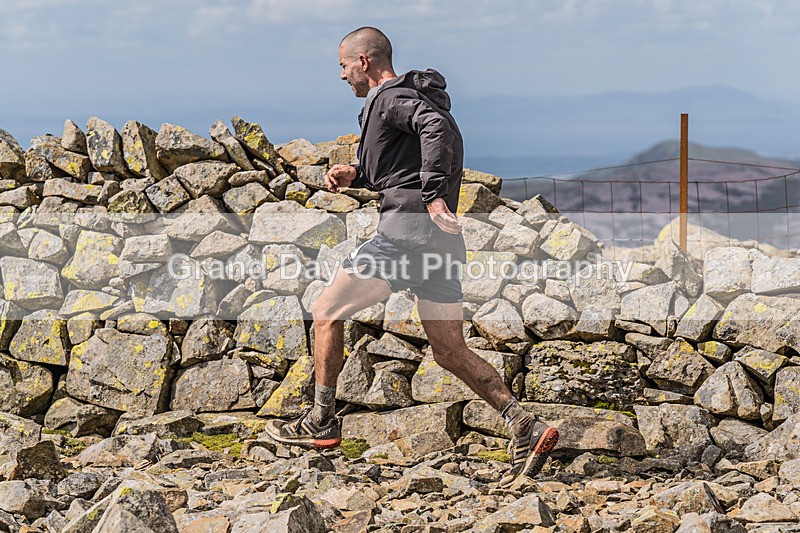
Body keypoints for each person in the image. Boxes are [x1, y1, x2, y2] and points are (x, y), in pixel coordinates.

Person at [265, 26, 558, 485]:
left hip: (406, 235)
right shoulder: (400, 100)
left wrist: (435, 195)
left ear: (364, 61)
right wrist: (357, 173)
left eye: (343, 65)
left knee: (325, 312)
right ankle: (523, 424)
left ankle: (320, 421)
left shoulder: (390, 98)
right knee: (449, 350)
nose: (341, 76)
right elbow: (401, 161)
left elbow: (434, 129)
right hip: (440, 244)